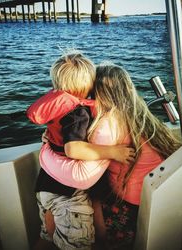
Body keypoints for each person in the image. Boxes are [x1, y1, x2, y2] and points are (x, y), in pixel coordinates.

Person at [40, 62, 181, 249]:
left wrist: (46, 151)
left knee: (69, 204)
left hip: (127, 210)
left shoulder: (109, 124)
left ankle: (98, 241)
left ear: (97, 92)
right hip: (153, 202)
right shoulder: (141, 116)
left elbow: (82, 176)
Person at [27, 52, 135, 250]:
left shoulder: (56, 108)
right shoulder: (77, 112)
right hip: (68, 196)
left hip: (45, 185)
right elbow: (73, 148)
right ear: (87, 86)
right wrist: (113, 152)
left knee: (46, 238)